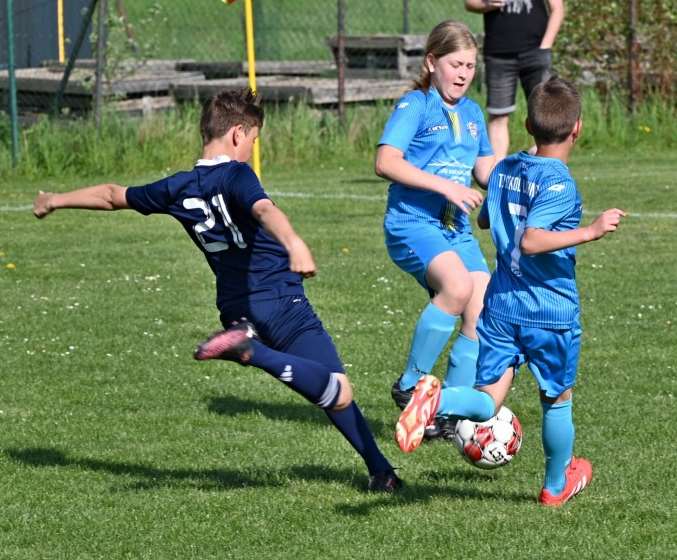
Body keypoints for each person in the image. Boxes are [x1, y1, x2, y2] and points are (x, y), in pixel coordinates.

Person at [33, 88, 403, 493]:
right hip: (281, 301)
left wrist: (54, 200)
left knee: (329, 390)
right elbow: (264, 209)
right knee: (339, 390)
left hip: (235, 309)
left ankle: (381, 472)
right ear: (237, 133)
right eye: (253, 142)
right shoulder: (236, 174)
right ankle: (253, 352)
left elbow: (110, 195)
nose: (251, 152)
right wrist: (294, 241)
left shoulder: (177, 186)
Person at [395, 77, 626, 507]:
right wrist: (590, 231)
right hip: (549, 310)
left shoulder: (503, 169)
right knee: (556, 399)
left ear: (527, 124)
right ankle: (555, 486)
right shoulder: (560, 183)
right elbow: (532, 240)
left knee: (487, 401)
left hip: (501, 307)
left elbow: (486, 221)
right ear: (577, 128)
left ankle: (437, 400)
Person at [374, 20, 495, 440]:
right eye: (455, 64)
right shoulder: (416, 105)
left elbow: (485, 171)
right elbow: (386, 162)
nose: (463, 74)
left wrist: (525, 166)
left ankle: (449, 412)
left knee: (483, 307)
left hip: (455, 229)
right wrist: (445, 185)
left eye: (470, 66)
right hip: (412, 223)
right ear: (432, 62)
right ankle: (410, 385)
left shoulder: (473, 112)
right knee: (458, 288)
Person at [465, 0, 565, 161]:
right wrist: (487, 4)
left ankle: (539, 163)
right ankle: (497, 172)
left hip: (536, 51)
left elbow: (557, 8)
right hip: (499, 54)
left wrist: (546, 45)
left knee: (546, 114)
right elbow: (469, 0)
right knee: (498, 115)